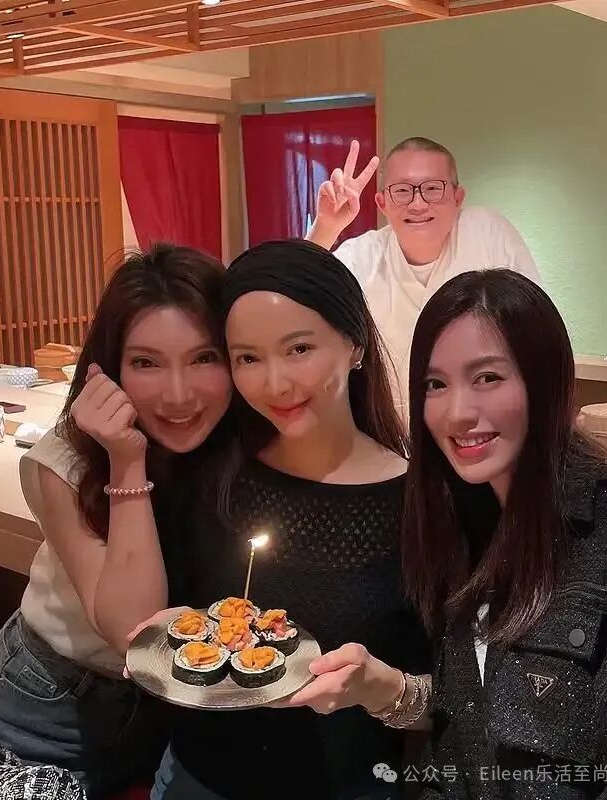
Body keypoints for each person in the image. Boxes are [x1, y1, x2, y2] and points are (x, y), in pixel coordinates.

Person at [292, 269, 607, 798]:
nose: (457, 414)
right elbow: (475, 715)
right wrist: (378, 686)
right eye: (435, 384)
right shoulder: (459, 519)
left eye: (488, 378)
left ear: (546, 381)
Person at [149, 239, 430, 800]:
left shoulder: (418, 503)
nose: (274, 384)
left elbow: (459, 700)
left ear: (354, 343)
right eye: (247, 358)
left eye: (299, 348)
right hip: (195, 779)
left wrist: (381, 687)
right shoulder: (212, 474)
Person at [0, 244, 233, 798]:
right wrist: (127, 459)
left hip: (171, 717)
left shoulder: (233, 444)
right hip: (47, 713)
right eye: (146, 362)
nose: (178, 395)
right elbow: (135, 631)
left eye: (204, 358)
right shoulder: (66, 459)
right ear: (108, 368)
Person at [307, 137, 541, 418]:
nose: (417, 204)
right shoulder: (362, 256)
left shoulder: (487, 234)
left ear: (458, 198)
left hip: (485, 424)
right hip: (390, 433)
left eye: (432, 189)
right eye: (402, 191)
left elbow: (539, 333)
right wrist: (326, 228)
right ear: (382, 203)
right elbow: (293, 297)